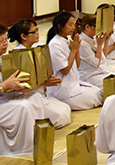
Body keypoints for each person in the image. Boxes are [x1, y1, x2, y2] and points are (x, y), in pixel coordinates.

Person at [6, 19, 72, 128]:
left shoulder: (33, 50)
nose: (38, 34)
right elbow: (22, 87)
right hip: (26, 98)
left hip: (37, 96)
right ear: (23, 36)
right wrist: (43, 83)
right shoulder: (19, 55)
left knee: (65, 108)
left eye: (37, 31)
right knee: (61, 116)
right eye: (34, 32)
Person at [0, 23, 46, 156]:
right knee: (23, 107)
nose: (5, 44)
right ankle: (24, 150)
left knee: (36, 98)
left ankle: (38, 142)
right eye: (1, 41)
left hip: (7, 99)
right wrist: (5, 86)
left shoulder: (4, 58)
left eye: (5, 40)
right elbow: (5, 85)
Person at [46, 11, 103, 110]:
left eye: (73, 24)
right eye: (70, 25)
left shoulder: (68, 40)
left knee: (99, 92)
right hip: (62, 89)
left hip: (73, 83)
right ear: (60, 26)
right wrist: (74, 50)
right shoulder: (55, 44)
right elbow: (65, 70)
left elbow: (76, 65)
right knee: (96, 97)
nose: (73, 27)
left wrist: (76, 50)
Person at [76, 14, 114, 89]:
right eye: (97, 27)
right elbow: (96, 63)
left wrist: (106, 41)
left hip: (101, 71)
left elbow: (104, 57)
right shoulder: (82, 43)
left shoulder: (93, 38)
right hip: (90, 75)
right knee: (111, 88)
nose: (100, 30)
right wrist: (99, 45)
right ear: (87, 27)